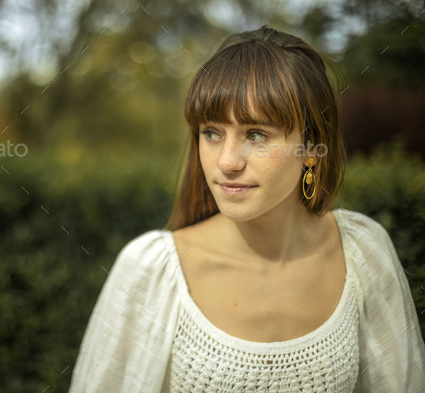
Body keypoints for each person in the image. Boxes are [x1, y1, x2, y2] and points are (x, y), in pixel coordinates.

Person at [68, 24, 425, 392]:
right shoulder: (150, 271)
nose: (226, 162)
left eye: (256, 134)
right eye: (212, 132)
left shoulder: (363, 253)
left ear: (311, 147)